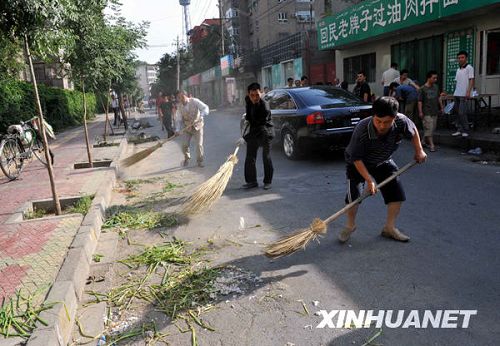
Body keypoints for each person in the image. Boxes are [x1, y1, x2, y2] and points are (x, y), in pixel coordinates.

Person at [339, 97, 427, 243]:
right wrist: (369, 180)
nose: (381, 126)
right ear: (373, 116)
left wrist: (419, 150)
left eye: (386, 122)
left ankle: (389, 228)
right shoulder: (362, 129)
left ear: (394, 117)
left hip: (383, 160)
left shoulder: (401, 121)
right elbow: (356, 159)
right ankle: (350, 226)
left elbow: (413, 130)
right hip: (357, 163)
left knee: (396, 194)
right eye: (378, 121)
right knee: (353, 197)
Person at [243, 82, 274, 190]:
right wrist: (246, 122)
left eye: (257, 95)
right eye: (252, 95)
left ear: (260, 93)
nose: (255, 98)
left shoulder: (264, 105)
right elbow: (249, 117)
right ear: (248, 94)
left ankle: (268, 181)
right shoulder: (248, 100)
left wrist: (244, 138)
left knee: (266, 156)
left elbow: (260, 125)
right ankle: (252, 181)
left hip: (265, 131)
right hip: (254, 130)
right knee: (250, 156)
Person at [175, 90, 210, 167]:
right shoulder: (179, 107)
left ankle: (199, 161)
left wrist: (202, 116)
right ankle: (187, 158)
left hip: (198, 126)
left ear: (186, 95)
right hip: (187, 127)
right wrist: (177, 130)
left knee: (199, 145)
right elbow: (178, 119)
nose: (181, 99)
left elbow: (205, 108)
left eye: (182, 97)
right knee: (184, 145)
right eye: (179, 98)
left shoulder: (194, 101)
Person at [418, 71, 443, 152]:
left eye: (436, 78)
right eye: (434, 78)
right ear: (428, 78)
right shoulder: (422, 89)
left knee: (432, 129)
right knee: (429, 128)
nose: (435, 79)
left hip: (434, 111)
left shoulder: (436, 87)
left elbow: (439, 98)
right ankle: (432, 145)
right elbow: (420, 101)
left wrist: (441, 107)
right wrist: (420, 112)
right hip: (426, 112)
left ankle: (422, 141)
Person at [452, 50, 474, 137]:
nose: (460, 59)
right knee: (457, 113)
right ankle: (459, 129)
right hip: (457, 93)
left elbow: (471, 80)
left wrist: (468, 91)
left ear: (466, 58)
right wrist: (453, 92)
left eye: (462, 57)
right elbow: (456, 82)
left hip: (464, 94)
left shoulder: (469, 67)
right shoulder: (458, 69)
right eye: (459, 58)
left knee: (462, 113)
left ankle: (466, 130)